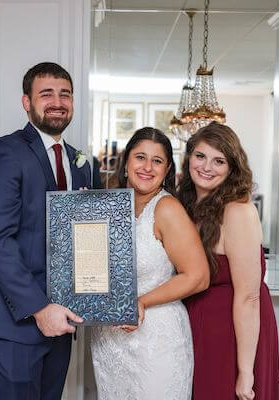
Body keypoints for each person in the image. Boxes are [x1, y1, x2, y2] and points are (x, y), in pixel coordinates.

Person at [0, 62, 92, 400]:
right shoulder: (3, 152)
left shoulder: (79, 162)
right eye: (46, 94)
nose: (57, 101)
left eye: (65, 94)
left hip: (62, 320)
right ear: (27, 102)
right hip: (16, 321)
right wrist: (40, 308)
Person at [90, 127, 210, 400]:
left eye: (157, 161)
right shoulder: (109, 205)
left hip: (156, 340)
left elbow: (198, 276)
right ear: (126, 162)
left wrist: (141, 302)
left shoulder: (167, 208)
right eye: (140, 157)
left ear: (167, 169)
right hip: (110, 339)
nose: (147, 167)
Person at [177, 122, 279, 400]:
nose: (206, 167)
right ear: (189, 159)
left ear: (232, 168)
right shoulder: (186, 205)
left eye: (218, 160)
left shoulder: (238, 212)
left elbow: (249, 296)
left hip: (233, 331)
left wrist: (245, 370)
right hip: (198, 323)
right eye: (200, 156)